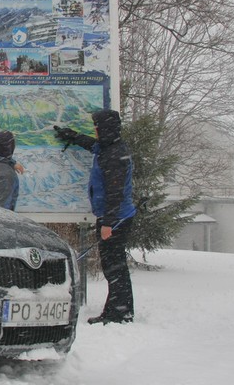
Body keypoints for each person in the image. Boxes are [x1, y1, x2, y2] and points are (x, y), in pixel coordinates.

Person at [54, 109, 137, 325]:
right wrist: (73, 136)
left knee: (114, 267)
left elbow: (115, 192)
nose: (95, 131)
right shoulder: (110, 147)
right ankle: (120, 309)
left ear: (105, 128)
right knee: (114, 266)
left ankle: (119, 312)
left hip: (116, 219)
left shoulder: (114, 156)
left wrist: (108, 224)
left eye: (97, 127)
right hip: (114, 217)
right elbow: (94, 145)